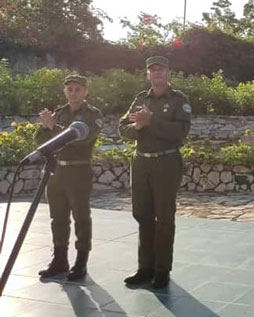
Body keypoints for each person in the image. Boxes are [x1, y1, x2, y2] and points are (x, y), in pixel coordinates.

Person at [118, 56, 191, 290]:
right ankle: (145, 267)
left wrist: (151, 122)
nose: (157, 73)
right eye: (152, 70)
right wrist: (137, 127)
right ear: (147, 74)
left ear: (169, 73)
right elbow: (122, 129)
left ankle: (162, 270)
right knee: (142, 215)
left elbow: (180, 132)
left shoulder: (179, 100)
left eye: (161, 69)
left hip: (166, 161)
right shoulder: (140, 99)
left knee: (164, 218)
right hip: (141, 163)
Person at [35, 74, 103, 281]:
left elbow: (82, 139)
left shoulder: (92, 114)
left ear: (85, 92)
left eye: (78, 89)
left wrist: (52, 128)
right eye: (70, 89)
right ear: (65, 91)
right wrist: (47, 127)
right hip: (57, 172)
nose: (73, 92)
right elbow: (39, 140)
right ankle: (59, 260)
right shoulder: (59, 113)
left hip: (79, 172)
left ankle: (81, 262)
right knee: (58, 218)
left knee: (81, 218)